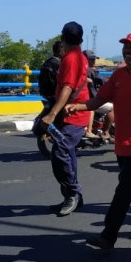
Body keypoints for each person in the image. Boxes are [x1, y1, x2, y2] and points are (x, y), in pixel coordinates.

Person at [67, 30, 131, 249]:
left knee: (123, 190)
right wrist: (79, 106)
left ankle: (108, 235)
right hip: (122, 141)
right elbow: (100, 99)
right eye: (125, 47)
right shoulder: (119, 76)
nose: (127, 51)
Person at [41, 22, 91, 217]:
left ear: (62, 38)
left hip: (73, 113)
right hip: (74, 112)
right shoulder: (81, 57)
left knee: (60, 152)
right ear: (81, 39)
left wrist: (52, 113)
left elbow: (68, 87)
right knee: (67, 154)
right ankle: (73, 195)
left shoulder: (71, 59)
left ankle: (72, 193)